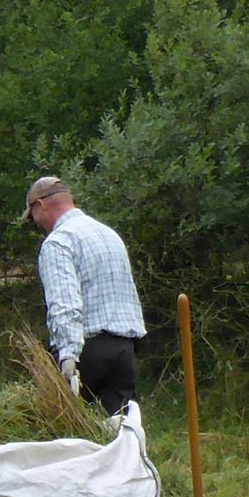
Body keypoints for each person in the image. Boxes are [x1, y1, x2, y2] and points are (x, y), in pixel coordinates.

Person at [22, 176, 145, 416]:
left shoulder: (59, 242)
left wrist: (67, 357)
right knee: (119, 432)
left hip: (86, 349)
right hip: (124, 348)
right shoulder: (109, 234)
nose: (35, 223)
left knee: (69, 435)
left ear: (40, 205)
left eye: (32, 216)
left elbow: (64, 303)